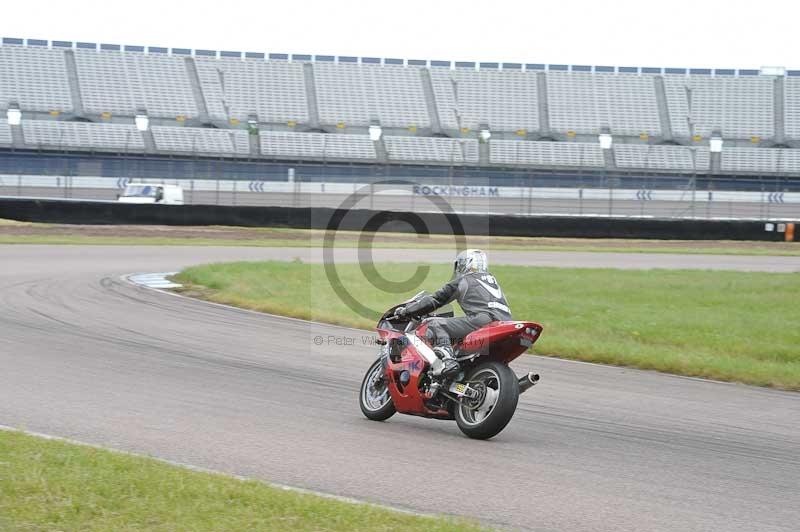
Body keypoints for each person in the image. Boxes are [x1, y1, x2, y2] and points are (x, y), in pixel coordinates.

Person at [394, 249, 512, 376]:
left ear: (465, 263)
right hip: (506, 322)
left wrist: (406, 311)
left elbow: (435, 300)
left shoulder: (464, 280)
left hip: (484, 320)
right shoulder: (493, 282)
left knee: (434, 324)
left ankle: (447, 360)